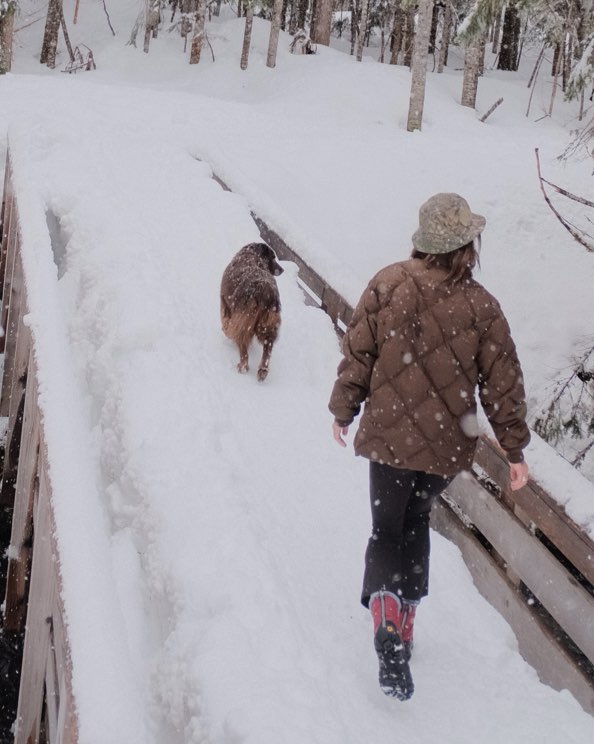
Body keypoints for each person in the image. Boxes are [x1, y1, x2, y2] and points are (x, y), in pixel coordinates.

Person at [328, 193, 530, 701]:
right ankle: (409, 623)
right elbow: (502, 383)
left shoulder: (389, 282)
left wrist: (342, 410)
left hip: (390, 440)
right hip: (443, 447)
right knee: (417, 522)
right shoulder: (483, 307)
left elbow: (358, 351)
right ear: (466, 244)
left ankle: (386, 616)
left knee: (385, 527)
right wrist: (514, 449)